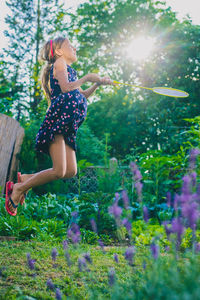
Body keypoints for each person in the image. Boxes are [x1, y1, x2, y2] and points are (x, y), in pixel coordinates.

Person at [5, 36, 115, 216]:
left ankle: (25, 179)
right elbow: (65, 88)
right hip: (59, 121)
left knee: (70, 171)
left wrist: (97, 83)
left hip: (69, 126)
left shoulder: (70, 70)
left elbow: (82, 95)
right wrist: (87, 77)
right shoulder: (59, 63)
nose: (74, 48)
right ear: (58, 52)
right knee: (58, 170)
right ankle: (18, 189)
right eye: (70, 45)